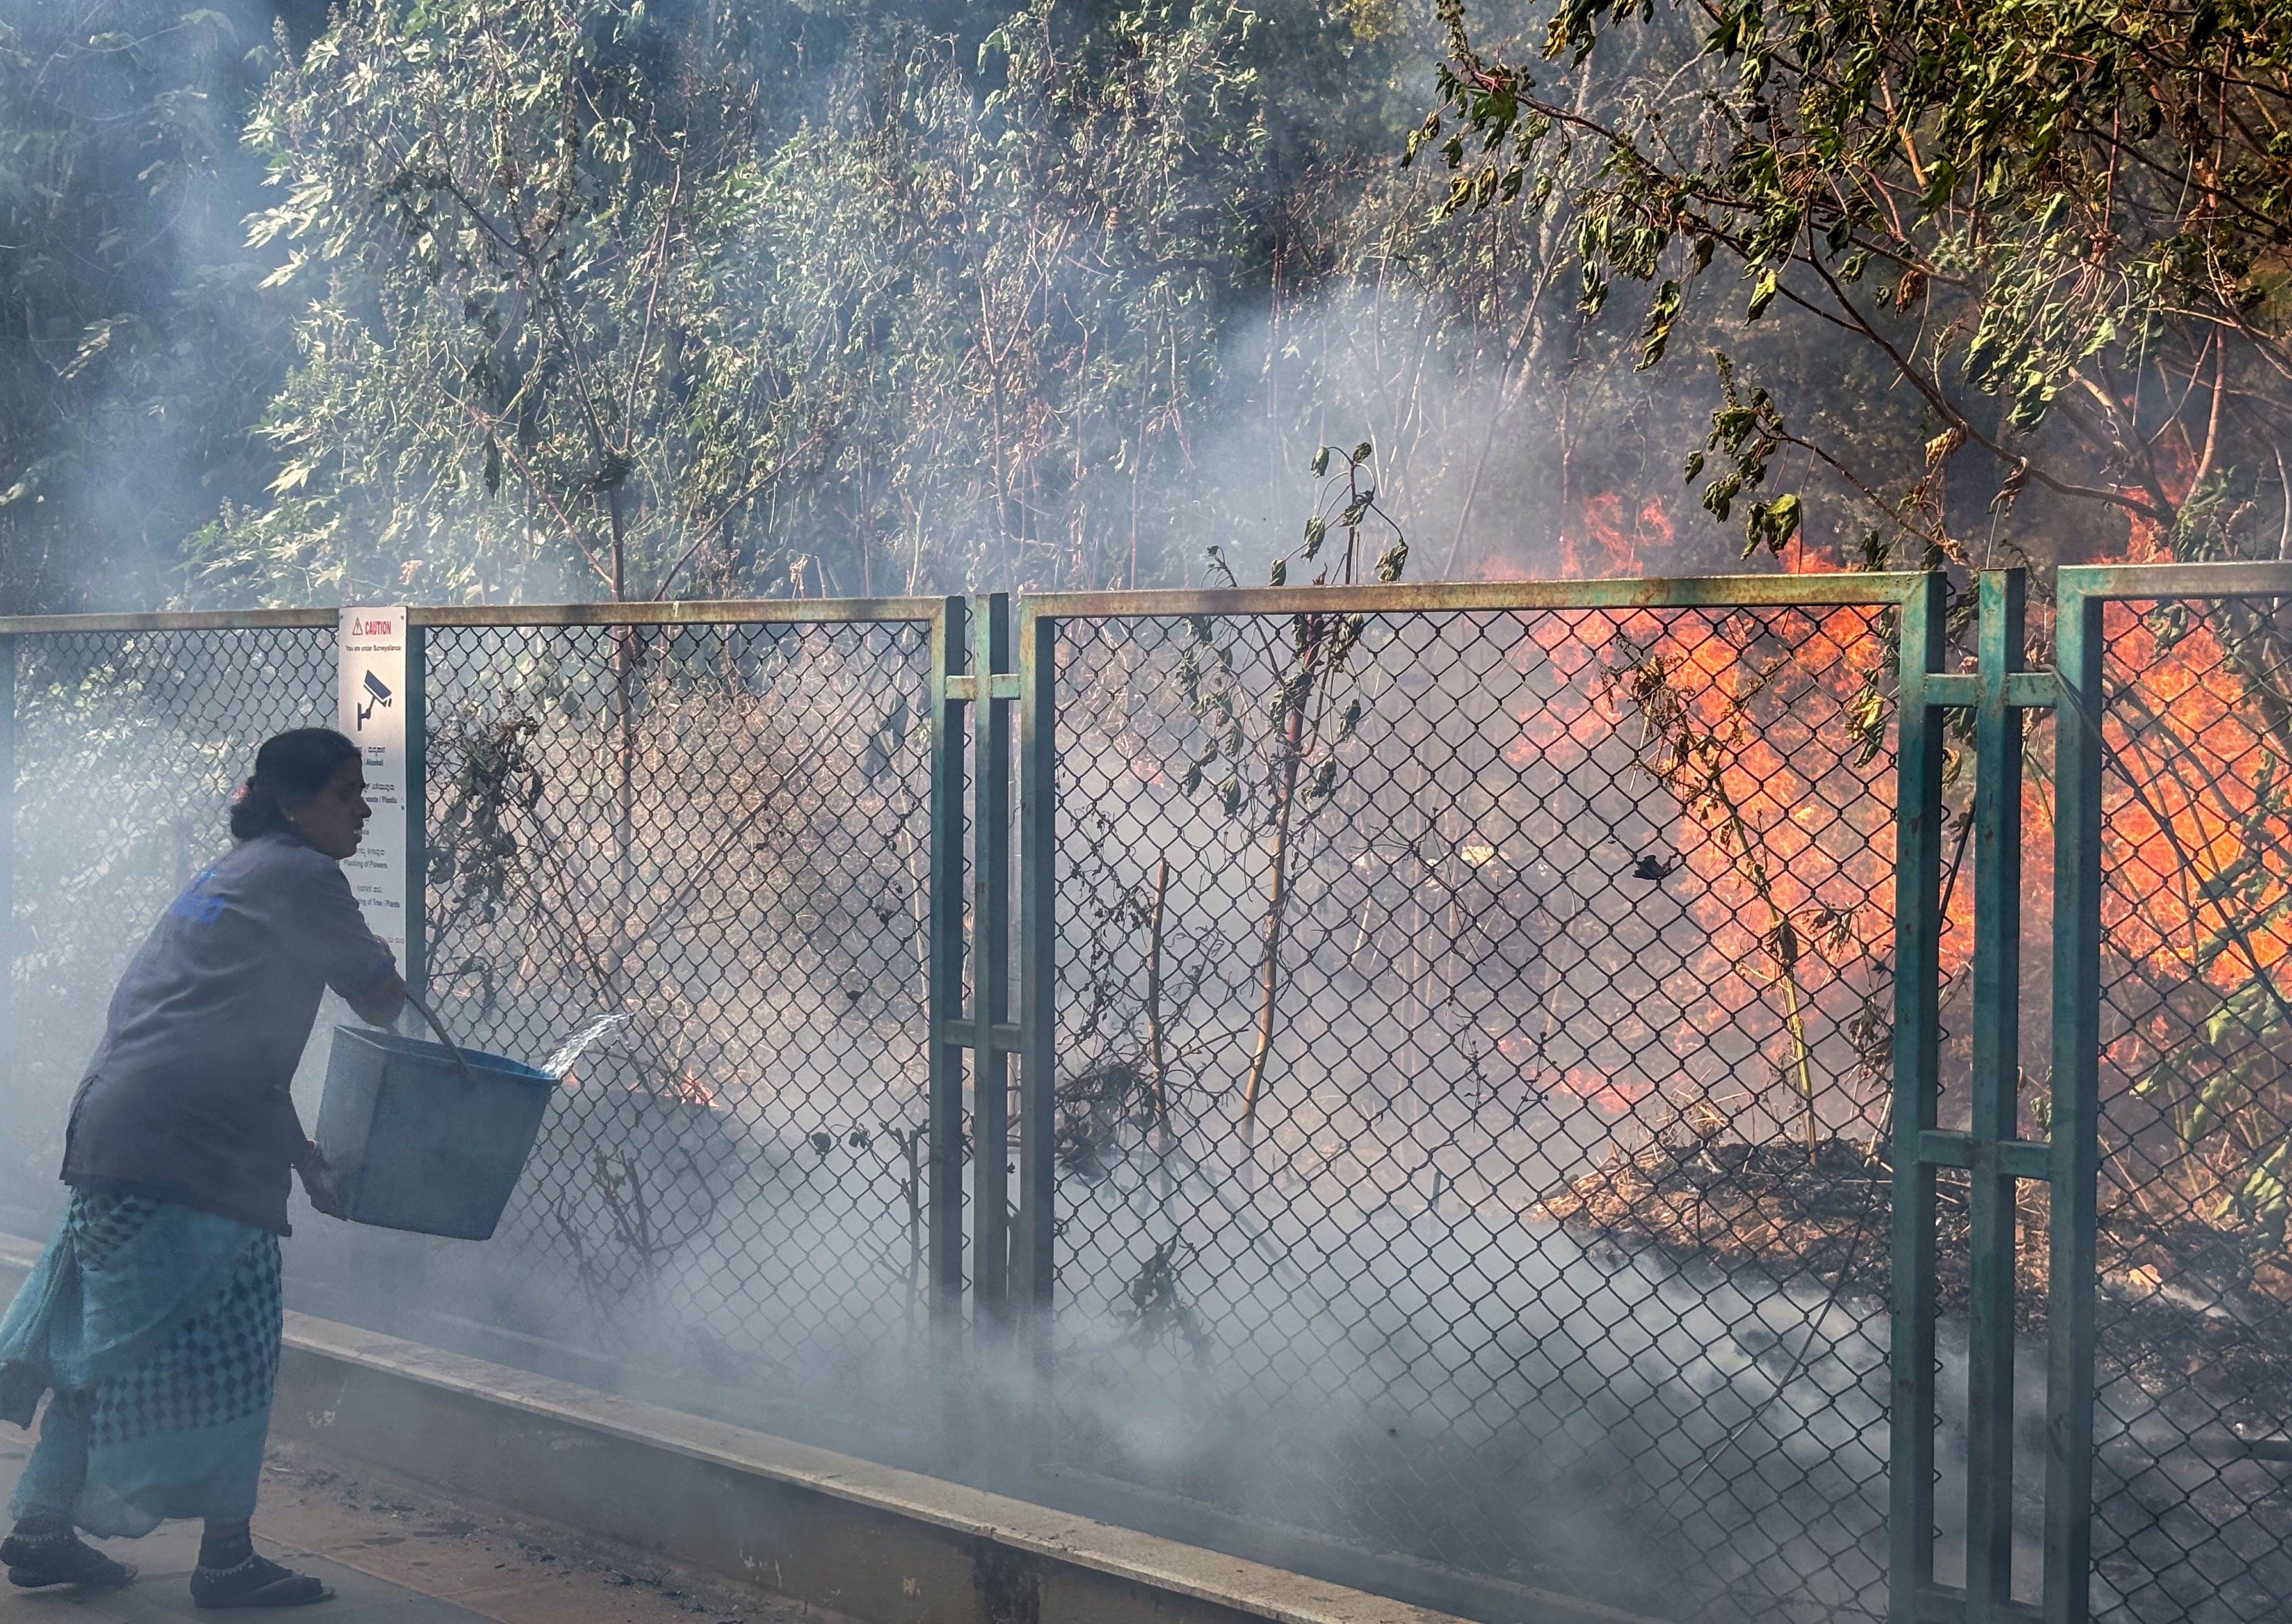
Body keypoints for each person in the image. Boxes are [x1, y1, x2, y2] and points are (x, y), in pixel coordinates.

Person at [0, 728, 406, 1606]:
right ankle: (225, 1559)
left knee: (100, 1345)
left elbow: (230, 1047)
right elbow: (381, 1003)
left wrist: (301, 1157)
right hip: (192, 1155)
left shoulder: (235, 870)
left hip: (115, 1133)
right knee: (238, 1351)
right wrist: (380, 954)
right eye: (348, 794)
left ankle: (40, 1526)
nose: (365, 809)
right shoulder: (305, 875)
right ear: (295, 804)